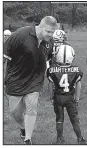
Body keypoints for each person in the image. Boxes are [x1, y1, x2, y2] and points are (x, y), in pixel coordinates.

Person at [3, 16, 59, 145]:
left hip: (35, 79)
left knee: (31, 107)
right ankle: (23, 127)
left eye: (52, 32)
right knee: (15, 112)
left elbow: (50, 59)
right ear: (40, 27)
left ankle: (28, 139)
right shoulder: (20, 35)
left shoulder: (49, 42)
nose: (50, 35)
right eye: (48, 32)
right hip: (15, 79)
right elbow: (3, 55)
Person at [47, 45, 87, 145]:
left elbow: (50, 84)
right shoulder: (76, 70)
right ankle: (80, 139)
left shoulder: (52, 70)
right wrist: (77, 98)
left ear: (57, 56)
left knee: (59, 119)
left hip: (58, 97)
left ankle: (59, 139)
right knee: (74, 120)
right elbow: (78, 85)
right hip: (70, 98)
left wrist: (51, 97)